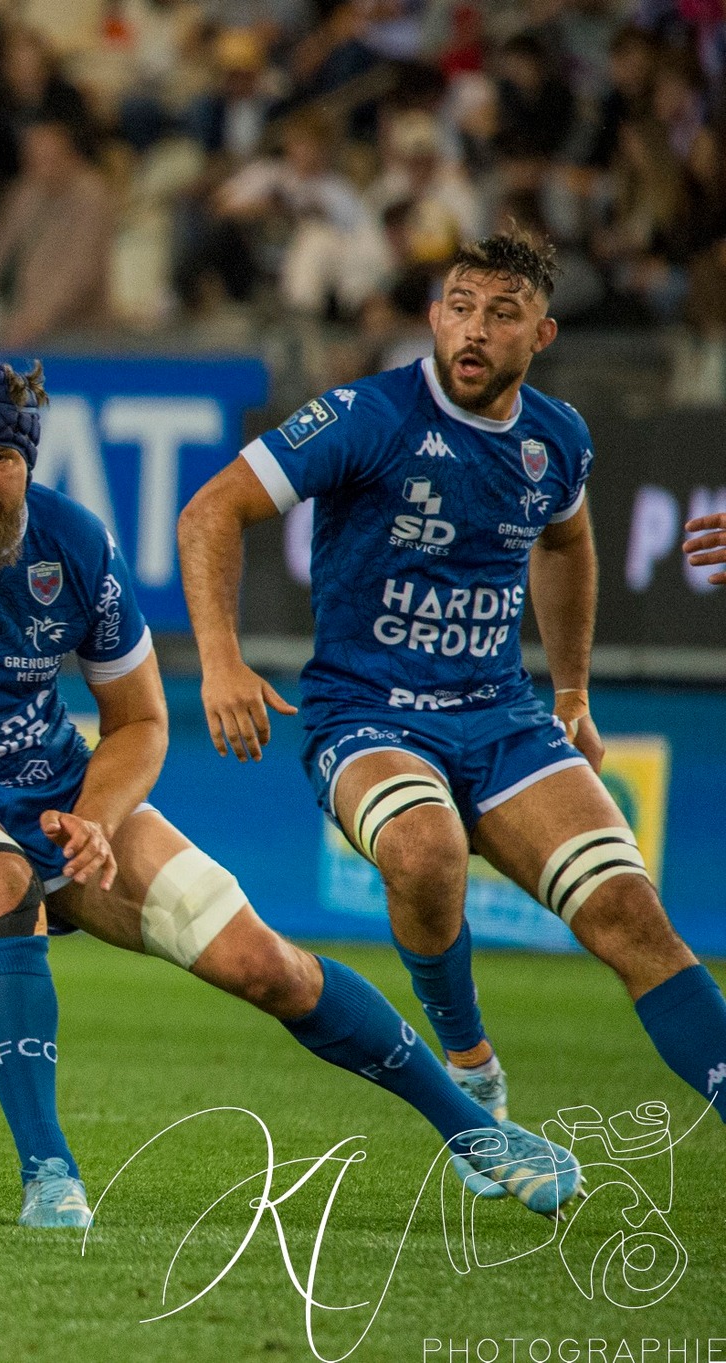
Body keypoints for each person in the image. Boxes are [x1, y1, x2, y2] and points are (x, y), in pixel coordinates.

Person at [0, 354, 580, 1229]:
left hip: (56, 789)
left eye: (0, 457)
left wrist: (94, 818)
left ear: (28, 461)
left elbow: (139, 720)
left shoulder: (75, 544)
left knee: (266, 965)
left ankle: (476, 1133)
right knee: (1, 882)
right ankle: (50, 1172)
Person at [179, 231, 726, 1131]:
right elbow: (211, 512)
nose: (474, 330)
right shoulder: (366, 415)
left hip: (501, 715)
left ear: (541, 335)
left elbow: (566, 543)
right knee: (425, 847)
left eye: (502, 315)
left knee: (634, 915)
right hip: (366, 712)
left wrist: (573, 692)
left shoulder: (556, 437)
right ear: (435, 317)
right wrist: (221, 659)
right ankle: (469, 1056)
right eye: (461, 308)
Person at [0, 119, 112, 346]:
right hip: (24, 325)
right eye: (34, 160)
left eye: (51, 159)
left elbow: (81, 271)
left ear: (72, 157)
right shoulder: (26, 193)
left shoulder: (91, 196)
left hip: (79, 333)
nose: (43, 168)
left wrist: (38, 318)